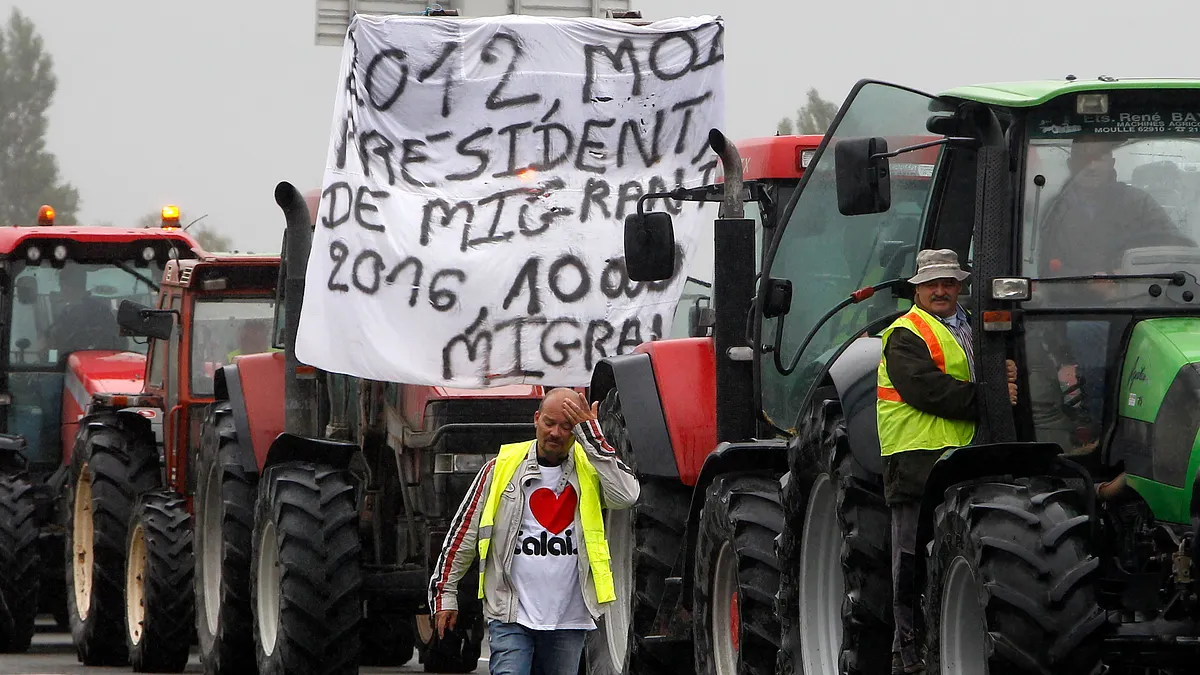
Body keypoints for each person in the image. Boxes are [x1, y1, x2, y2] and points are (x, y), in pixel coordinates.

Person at [428, 388, 640, 675]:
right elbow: (462, 535)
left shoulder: (590, 470)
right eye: (549, 423)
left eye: (567, 426)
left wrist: (592, 437)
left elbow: (627, 495)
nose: (555, 433)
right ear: (536, 419)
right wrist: (445, 594)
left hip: (570, 618)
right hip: (510, 613)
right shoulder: (500, 469)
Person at [876, 249, 1017, 674]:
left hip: (964, 456)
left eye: (949, 282)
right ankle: (907, 653)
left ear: (960, 286)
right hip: (916, 459)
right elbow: (928, 390)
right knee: (910, 559)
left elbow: (989, 372)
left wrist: (1006, 374)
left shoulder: (973, 327)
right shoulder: (904, 333)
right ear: (916, 288)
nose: (941, 290)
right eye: (932, 283)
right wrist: (992, 399)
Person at [47, 265, 121, 355]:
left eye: (61, 286)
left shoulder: (99, 312)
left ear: (66, 286)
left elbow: (112, 342)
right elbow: (55, 342)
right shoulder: (66, 313)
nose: (61, 290)